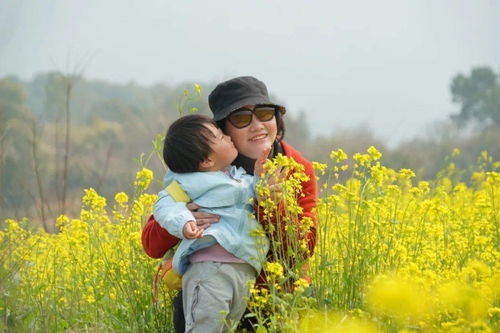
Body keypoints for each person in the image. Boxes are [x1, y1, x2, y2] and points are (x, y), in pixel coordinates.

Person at [142, 76, 317, 332]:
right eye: (242, 119)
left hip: (275, 296)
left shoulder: (296, 167)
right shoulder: (204, 168)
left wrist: (269, 205)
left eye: (265, 114)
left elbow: (303, 248)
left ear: (276, 120)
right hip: (211, 290)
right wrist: (183, 217)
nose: (257, 126)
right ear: (224, 130)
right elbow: (151, 244)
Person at [155, 114, 270, 332]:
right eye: (220, 136)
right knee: (204, 326)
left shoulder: (236, 177)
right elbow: (165, 204)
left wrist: (259, 176)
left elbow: (253, 194)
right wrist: (184, 222)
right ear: (207, 160)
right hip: (210, 268)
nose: (228, 136)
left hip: (242, 269)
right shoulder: (190, 182)